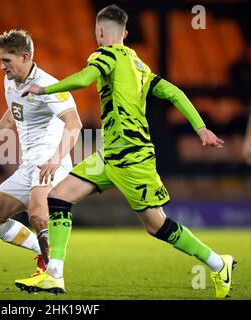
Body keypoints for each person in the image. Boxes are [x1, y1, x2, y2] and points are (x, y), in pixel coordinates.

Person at [15, 5, 236, 298]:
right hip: (111, 155)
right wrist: (201, 128)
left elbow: (83, 79)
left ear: (100, 32)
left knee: (156, 226)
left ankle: (219, 263)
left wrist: (42, 90)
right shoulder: (139, 65)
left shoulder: (103, 55)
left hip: (132, 157)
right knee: (57, 198)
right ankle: (54, 275)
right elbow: (174, 92)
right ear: (126, 34)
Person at [0, 30, 82, 274]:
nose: (1, 66)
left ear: (25, 57)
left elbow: (74, 123)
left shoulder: (48, 86)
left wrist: (56, 159)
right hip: (28, 165)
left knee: (38, 214)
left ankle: (51, 273)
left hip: (51, 161)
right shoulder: (10, 81)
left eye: (6, 60)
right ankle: (41, 250)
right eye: (0, 60)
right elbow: (13, 111)